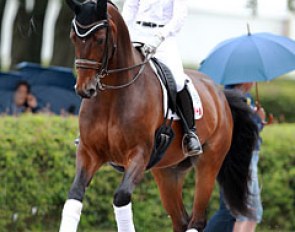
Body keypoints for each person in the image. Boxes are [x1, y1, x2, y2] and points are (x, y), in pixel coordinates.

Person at [122, 0, 202, 156]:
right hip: (136, 32)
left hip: (163, 39)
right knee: (114, 70)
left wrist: (160, 36)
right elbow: (130, 8)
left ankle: (190, 133)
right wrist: (125, 32)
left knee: (178, 81)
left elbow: (179, 16)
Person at [205, 82, 264, 232]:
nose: (254, 82)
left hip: (247, 156)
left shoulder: (244, 97)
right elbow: (241, 132)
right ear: (244, 79)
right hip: (240, 158)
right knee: (244, 211)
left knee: (242, 212)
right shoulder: (233, 99)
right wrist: (257, 120)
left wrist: (258, 121)